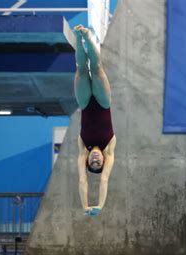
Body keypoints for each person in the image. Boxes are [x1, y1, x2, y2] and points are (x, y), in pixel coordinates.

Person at [74, 25, 116, 217]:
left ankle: (77, 36)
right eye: (99, 163)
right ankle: (87, 36)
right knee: (97, 67)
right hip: (102, 101)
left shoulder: (83, 149)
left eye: (93, 164)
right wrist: (99, 205)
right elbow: (104, 179)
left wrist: (85, 206)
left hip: (85, 103)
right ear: (104, 160)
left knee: (82, 70)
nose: (96, 161)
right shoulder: (109, 147)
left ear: (89, 160)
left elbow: (83, 180)